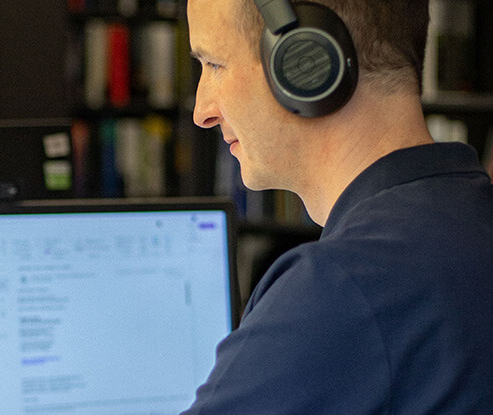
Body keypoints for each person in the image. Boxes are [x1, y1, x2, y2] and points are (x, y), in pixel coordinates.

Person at [181, 0, 493, 413]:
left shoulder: (342, 286)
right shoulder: (472, 218)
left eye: (215, 64)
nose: (201, 112)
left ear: (303, 61)